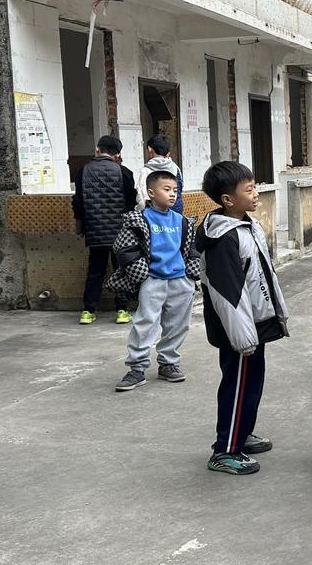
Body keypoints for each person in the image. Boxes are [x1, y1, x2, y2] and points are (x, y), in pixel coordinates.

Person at [196, 161, 289, 476]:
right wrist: (243, 337)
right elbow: (228, 294)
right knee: (237, 387)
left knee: (251, 384)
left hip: (255, 323)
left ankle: (241, 433)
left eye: (255, 187)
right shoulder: (223, 238)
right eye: (248, 189)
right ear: (227, 200)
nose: (256, 193)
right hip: (238, 331)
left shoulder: (247, 226)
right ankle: (225, 451)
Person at [107, 170, 199, 392]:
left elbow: (192, 249)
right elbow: (124, 248)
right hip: (153, 280)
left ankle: (168, 363)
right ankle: (137, 368)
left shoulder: (183, 221)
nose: (172, 194)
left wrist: (191, 273)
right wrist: (141, 274)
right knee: (145, 323)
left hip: (180, 280)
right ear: (151, 192)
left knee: (178, 325)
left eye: (175, 190)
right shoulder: (139, 219)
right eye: (166, 189)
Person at [73, 135, 136, 325]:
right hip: (121, 232)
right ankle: (122, 310)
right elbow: (131, 201)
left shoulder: (83, 171)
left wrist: (80, 226)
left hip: (95, 231)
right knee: (121, 270)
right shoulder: (124, 172)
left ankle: (88, 311)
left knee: (95, 271)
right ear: (117, 155)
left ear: (97, 149)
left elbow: (78, 202)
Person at [137, 134, 184, 213]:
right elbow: (180, 188)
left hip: (155, 214)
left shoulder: (146, 170)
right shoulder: (176, 168)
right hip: (176, 211)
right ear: (167, 152)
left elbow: (141, 197)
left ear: (149, 149)